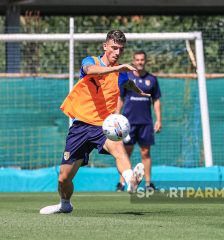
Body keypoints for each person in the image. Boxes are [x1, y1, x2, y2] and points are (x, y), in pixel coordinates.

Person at [40, 30, 150, 215]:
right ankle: (64, 204)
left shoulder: (121, 74)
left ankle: (130, 179)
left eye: (121, 49)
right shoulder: (90, 61)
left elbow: (126, 83)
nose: (117, 52)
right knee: (63, 178)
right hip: (81, 125)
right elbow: (90, 71)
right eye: (114, 48)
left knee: (118, 150)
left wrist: (137, 90)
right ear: (105, 46)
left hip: (103, 125)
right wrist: (116, 69)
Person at [115, 50, 162, 192]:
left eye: (142, 59)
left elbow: (156, 100)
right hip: (128, 123)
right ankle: (122, 183)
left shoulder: (152, 79)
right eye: (137, 60)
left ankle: (148, 183)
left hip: (146, 122)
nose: (140, 62)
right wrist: (117, 115)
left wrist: (159, 119)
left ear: (145, 61)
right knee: (125, 153)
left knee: (145, 152)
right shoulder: (127, 78)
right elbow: (120, 98)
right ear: (134, 61)